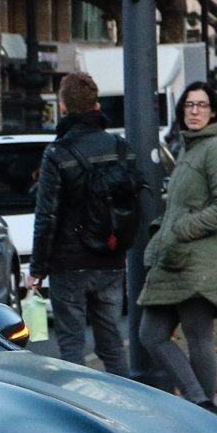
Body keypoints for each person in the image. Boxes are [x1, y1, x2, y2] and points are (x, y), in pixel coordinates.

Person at [137, 83, 217, 413]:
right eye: (189, 105)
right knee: (151, 334)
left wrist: (182, 228)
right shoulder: (189, 147)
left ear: (213, 111)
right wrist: (164, 228)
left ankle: (205, 414)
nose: (194, 111)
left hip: (199, 261)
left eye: (202, 105)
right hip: (174, 257)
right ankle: (199, 401)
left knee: (198, 337)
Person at [33, 71, 141, 375]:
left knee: (71, 345)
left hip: (69, 264)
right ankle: (124, 404)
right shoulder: (121, 149)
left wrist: (37, 269)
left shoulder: (57, 154)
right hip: (111, 259)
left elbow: (47, 217)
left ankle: (81, 408)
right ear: (96, 106)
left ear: (63, 107)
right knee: (111, 344)